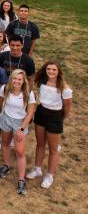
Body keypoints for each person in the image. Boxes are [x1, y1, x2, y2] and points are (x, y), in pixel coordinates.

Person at [26, 61, 72, 189]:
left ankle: (50, 175)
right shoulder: (42, 82)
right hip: (41, 113)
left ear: (59, 72)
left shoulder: (65, 89)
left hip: (55, 116)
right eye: (48, 69)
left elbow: (67, 107)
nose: (51, 72)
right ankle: (37, 169)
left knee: (53, 148)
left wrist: (60, 118)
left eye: (54, 70)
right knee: (40, 144)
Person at [0, 69, 37, 196]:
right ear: (11, 79)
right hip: (6, 119)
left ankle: (21, 180)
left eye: (19, 79)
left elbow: (30, 112)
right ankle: (7, 165)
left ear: (23, 80)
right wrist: (3, 113)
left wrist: (22, 129)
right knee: (5, 143)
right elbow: (0, 101)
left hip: (20, 122)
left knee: (19, 151)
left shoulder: (28, 93)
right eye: (14, 78)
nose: (17, 81)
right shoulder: (4, 88)